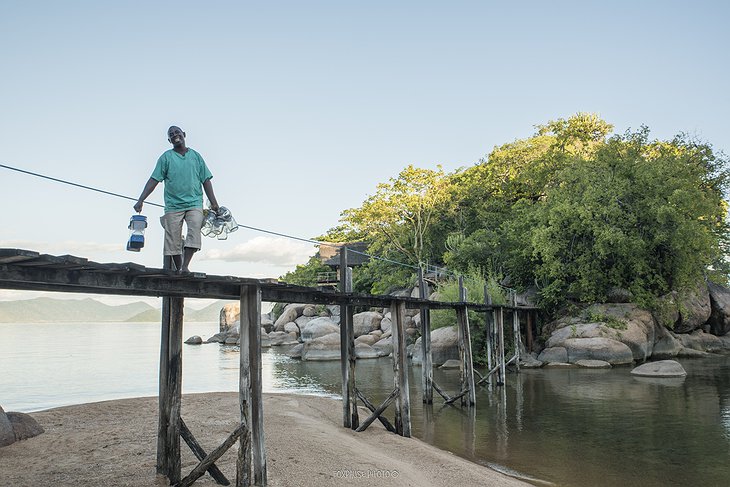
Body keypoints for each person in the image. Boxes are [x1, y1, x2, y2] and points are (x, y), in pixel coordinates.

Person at [134, 125, 220, 272]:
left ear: (184, 134)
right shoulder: (166, 157)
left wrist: (214, 203)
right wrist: (141, 199)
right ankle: (179, 268)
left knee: (194, 230)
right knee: (172, 238)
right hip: (173, 205)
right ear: (169, 140)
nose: (175, 135)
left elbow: (206, 180)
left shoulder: (196, 156)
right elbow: (154, 180)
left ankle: (185, 266)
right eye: (171, 134)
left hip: (194, 203)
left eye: (177, 132)